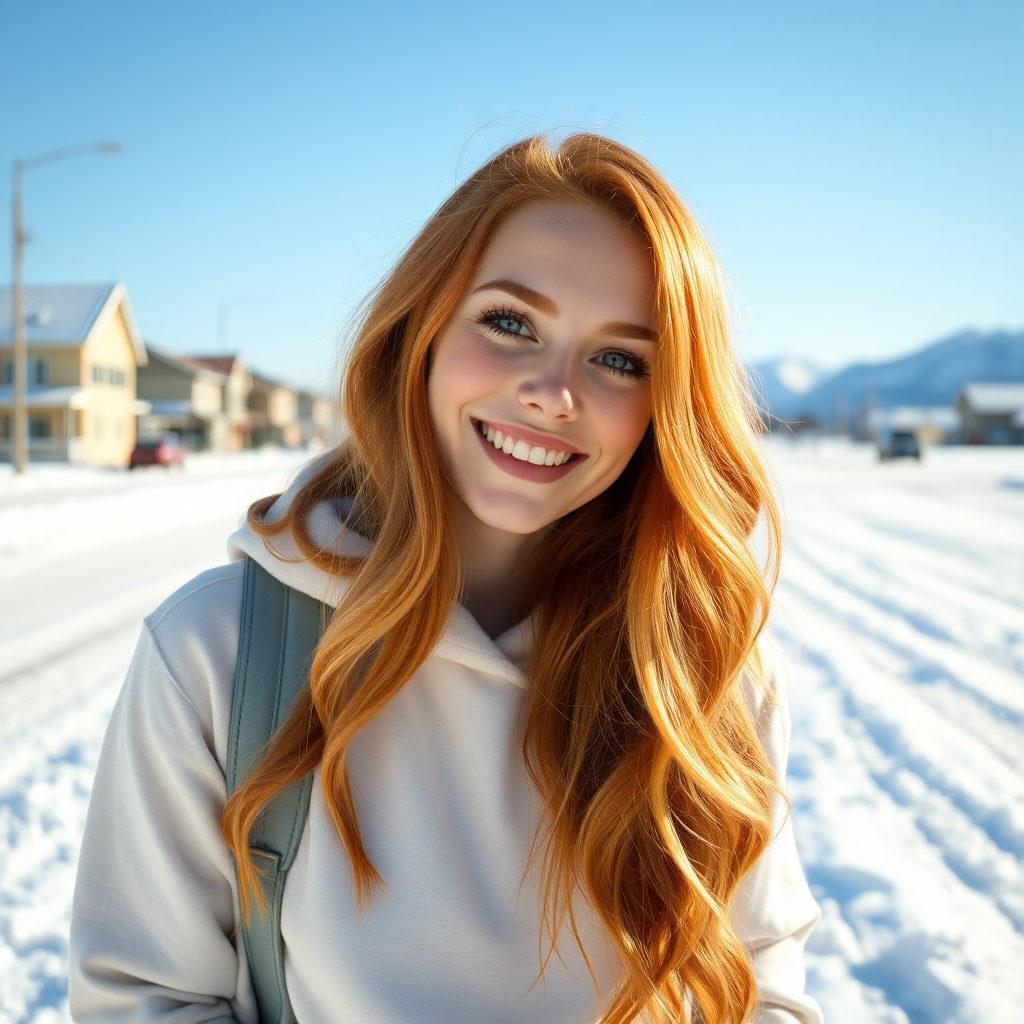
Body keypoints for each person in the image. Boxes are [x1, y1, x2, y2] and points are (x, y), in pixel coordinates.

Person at [69, 133, 822, 1024]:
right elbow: (144, 1002)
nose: (554, 392)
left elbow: (762, 988)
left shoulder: (703, 673)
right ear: (420, 330)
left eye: (620, 359)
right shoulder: (216, 653)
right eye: (510, 323)